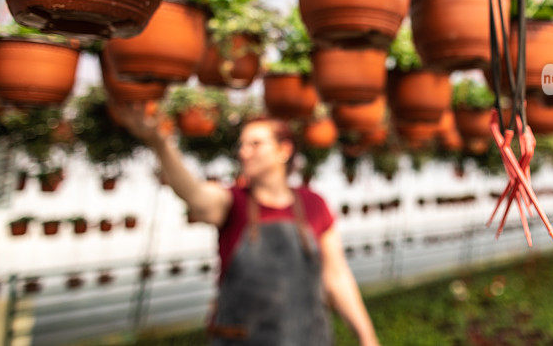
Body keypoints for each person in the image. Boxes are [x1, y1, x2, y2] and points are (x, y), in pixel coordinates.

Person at [113, 103, 380, 346]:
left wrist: (367, 337)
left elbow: (336, 276)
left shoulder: (314, 204)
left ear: (283, 151)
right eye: (242, 145)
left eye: (255, 144)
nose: (244, 152)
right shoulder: (233, 202)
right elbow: (195, 196)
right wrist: (161, 144)